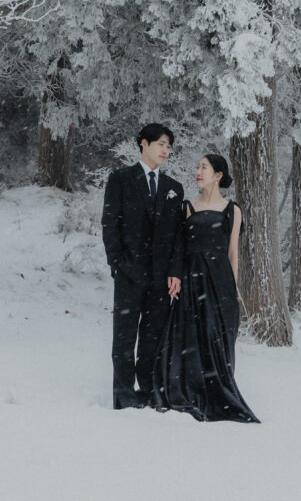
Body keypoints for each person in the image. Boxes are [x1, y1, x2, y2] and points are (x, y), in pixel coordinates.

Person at [152, 152, 260, 422]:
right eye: (197, 167)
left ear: (218, 175)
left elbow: (233, 253)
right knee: (189, 335)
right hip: (191, 279)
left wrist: (231, 294)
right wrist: (175, 275)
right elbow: (179, 247)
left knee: (216, 339)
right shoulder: (187, 207)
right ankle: (187, 390)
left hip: (220, 282)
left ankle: (216, 393)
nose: (198, 172)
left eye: (204, 167)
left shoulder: (232, 210)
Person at [101, 122, 184, 409]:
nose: (166, 150)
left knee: (152, 339)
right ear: (143, 144)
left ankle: (149, 391)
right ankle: (124, 394)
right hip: (128, 273)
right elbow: (110, 224)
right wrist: (117, 264)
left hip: (161, 279)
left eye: (169, 146)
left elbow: (177, 236)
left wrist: (174, 271)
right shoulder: (121, 179)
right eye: (161, 143)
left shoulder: (174, 188)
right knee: (124, 339)